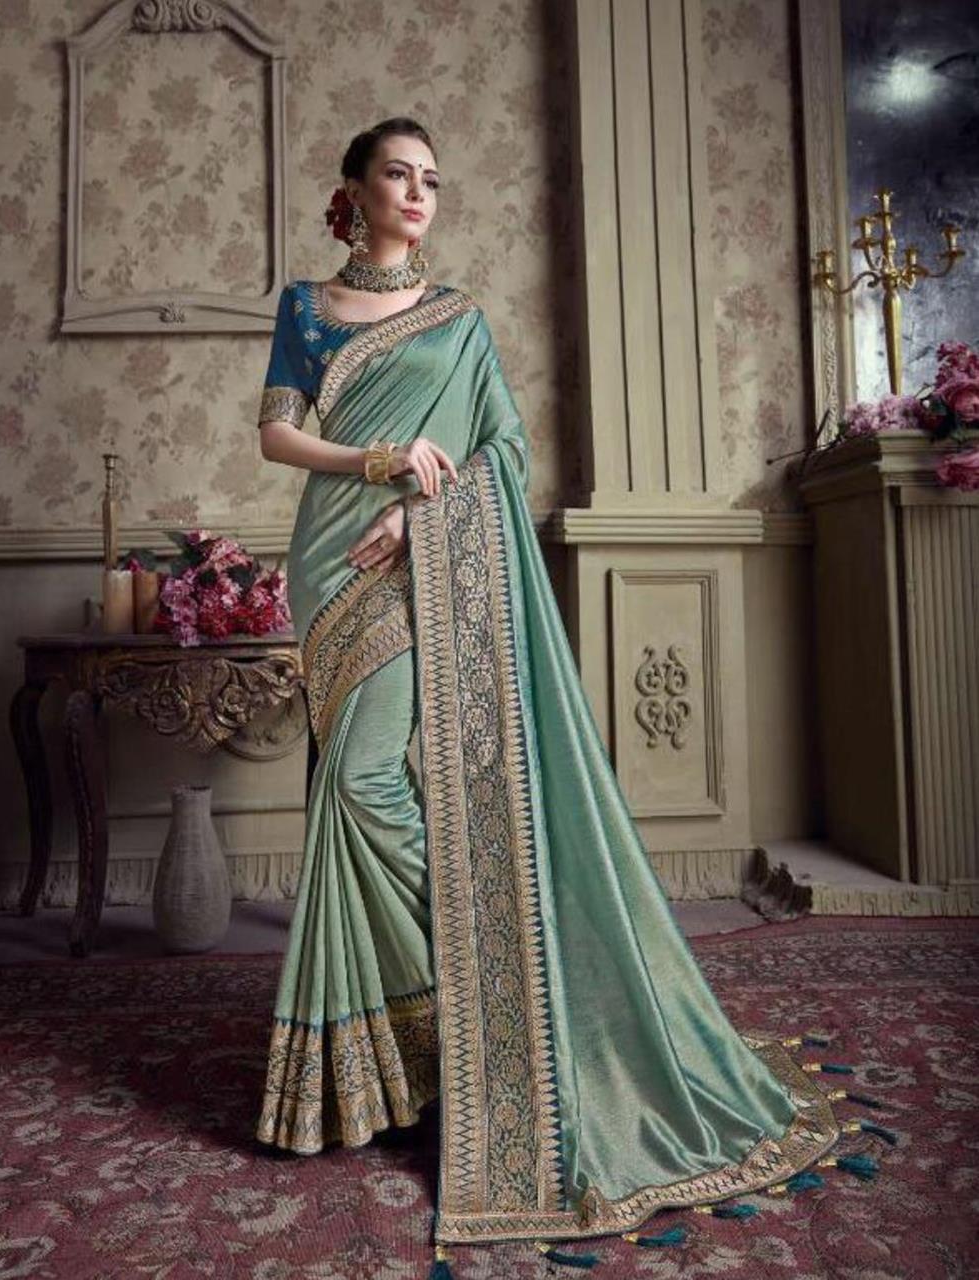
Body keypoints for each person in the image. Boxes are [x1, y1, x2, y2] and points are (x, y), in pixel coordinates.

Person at [254, 117, 884, 1276]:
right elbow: (276, 435)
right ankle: (443, 1017)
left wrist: (424, 514)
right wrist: (375, 464)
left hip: (417, 561)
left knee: (365, 785)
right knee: (351, 789)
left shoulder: (460, 320)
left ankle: (502, 974)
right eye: (396, 173)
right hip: (329, 561)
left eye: (432, 179)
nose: (417, 193)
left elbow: (500, 449)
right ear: (351, 188)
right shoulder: (304, 306)